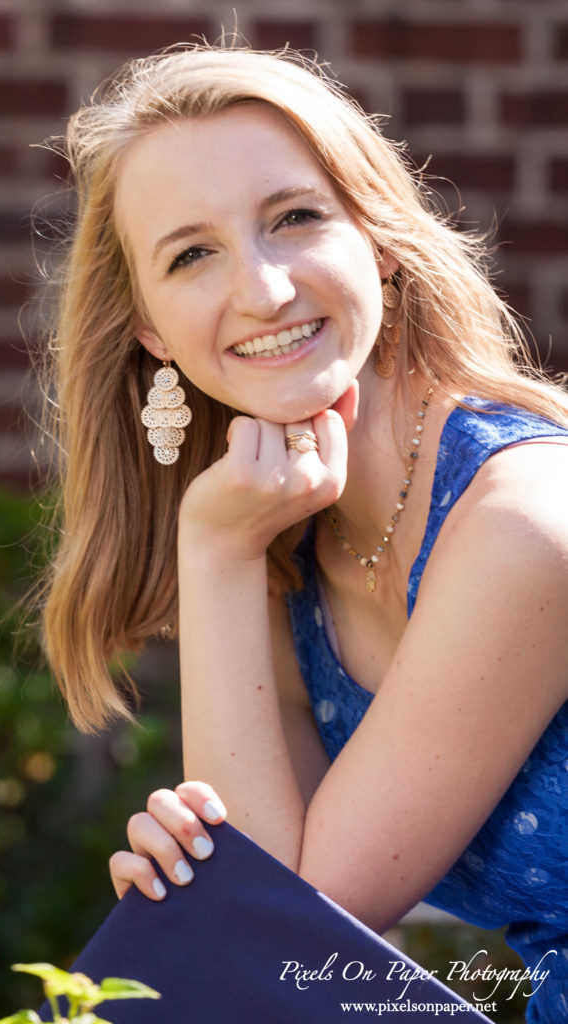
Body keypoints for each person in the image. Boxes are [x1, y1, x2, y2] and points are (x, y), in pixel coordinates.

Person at [37, 43, 568, 1022]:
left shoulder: (525, 519)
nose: (264, 289)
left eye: (293, 218)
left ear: (378, 233)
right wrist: (229, 549)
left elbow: (286, 925)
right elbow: (266, 940)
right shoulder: (289, 542)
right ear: (149, 327)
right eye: (191, 254)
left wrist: (212, 549)